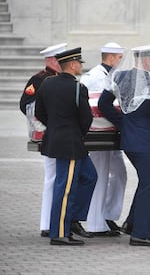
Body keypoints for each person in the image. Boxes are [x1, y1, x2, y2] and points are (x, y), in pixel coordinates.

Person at [98, 44, 150, 246]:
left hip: (128, 139)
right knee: (149, 184)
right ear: (147, 60)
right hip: (146, 143)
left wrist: (123, 122)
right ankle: (140, 234)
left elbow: (103, 104)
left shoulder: (120, 76)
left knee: (145, 182)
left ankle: (134, 223)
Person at [35, 47, 97, 245]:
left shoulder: (47, 84)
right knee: (65, 187)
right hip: (70, 143)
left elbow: (40, 112)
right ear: (72, 64)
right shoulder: (79, 88)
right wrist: (74, 132)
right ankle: (60, 233)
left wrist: (55, 127)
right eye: (79, 63)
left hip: (60, 139)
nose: (80, 66)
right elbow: (86, 119)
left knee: (90, 177)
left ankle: (71, 219)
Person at [19, 43, 67, 238]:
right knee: (52, 178)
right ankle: (46, 223)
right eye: (59, 60)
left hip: (61, 134)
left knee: (59, 178)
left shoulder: (63, 79)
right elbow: (26, 105)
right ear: (51, 60)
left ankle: (59, 221)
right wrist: (45, 123)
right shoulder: (38, 80)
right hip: (48, 134)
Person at [80, 42, 127, 236]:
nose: (120, 61)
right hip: (98, 134)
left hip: (110, 132)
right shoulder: (93, 77)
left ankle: (107, 215)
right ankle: (95, 223)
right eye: (119, 58)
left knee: (120, 174)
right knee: (99, 176)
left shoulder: (112, 75)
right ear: (111, 57)